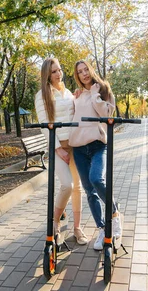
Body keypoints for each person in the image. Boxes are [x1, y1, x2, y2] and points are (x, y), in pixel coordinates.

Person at [68, 60, 122, 251]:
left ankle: (114, 215)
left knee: (96, 179)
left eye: (86, 70)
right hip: (79, 149)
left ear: (91, 70)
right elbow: (72, 117)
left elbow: (106, 115)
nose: (84, 74)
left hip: (98, 145)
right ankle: (101, 228)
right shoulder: (78, 95)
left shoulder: (104, 89)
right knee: (89, 191)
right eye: (79, 72)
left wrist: (94, 94)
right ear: (77, 75)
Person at [34, 57, 88, 245]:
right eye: (54, 71)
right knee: (67, 185)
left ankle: (77, 228)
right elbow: (44, 126)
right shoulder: (42, 95)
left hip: (75, 146)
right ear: (47, 75)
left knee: (78, 188)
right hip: (58, 147)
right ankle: (55, 222)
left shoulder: (68, 94)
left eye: (59, 70)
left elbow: (77, 114)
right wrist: (58, 148)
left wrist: (79, 98)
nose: (58, 74)